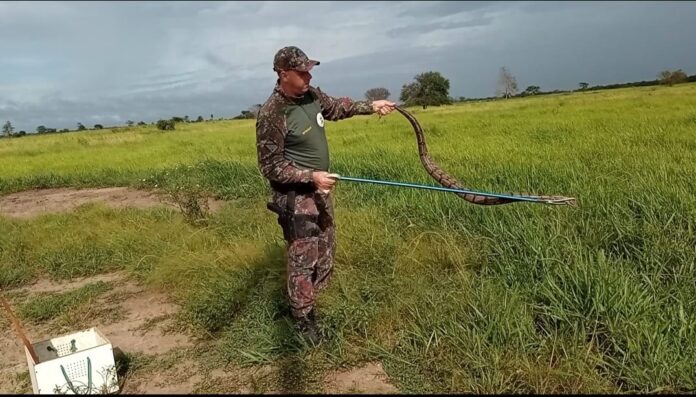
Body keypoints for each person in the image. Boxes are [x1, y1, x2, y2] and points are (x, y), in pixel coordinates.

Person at [255, 46, 396, 344]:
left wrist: (371, 106)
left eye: (309, 69)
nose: (309, 75)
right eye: (302, 71)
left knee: (326, 248)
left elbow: (336, 108)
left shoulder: (312, 95)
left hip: (320, 191)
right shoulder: (272, 113)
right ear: (283, 74)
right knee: (303, 258)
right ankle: (303, 319)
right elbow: (270, 166)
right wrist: (310, 176)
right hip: (296, 198)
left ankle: (318, 299)